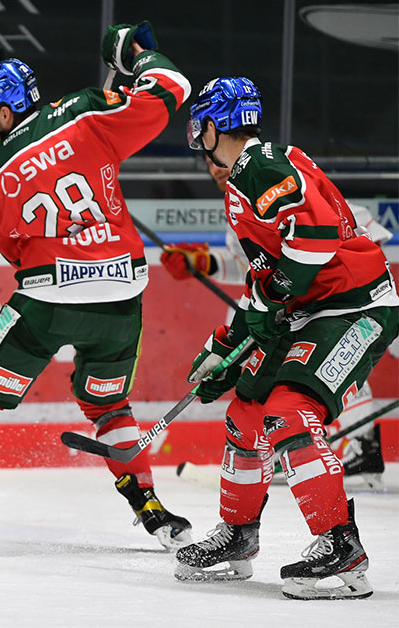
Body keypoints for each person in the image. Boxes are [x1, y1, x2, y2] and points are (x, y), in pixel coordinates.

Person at [0, 23, 195, 550]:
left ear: (4, 110)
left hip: (47, 298)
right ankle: (152, 509)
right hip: (121, 295)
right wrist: (137, 54)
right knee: (110, 407)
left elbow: (15, 252)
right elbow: (172, 88)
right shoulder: (86, 113)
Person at [174, 77, 398, 600]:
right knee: (246, 413)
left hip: (356, 307)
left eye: (197, 124)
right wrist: (225, 348)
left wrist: (274, 298)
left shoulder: (263, 167)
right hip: (311, 311)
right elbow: (265, 281)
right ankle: (237, 534)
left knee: (290, 409)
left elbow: (316, 238)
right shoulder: (242, 183)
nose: (194, 137)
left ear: (216, 124)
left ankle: (341, 543)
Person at [161, 157, 396, 491]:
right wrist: (205, 262)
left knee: (325, 363)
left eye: (222, 161)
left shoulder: (289, 193)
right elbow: (251, 268)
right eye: (209, 164)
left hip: (347, 301)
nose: (217, 168)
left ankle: (362, 446)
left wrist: (319, 277)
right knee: (280, 365)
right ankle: (332, 448)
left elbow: (362, 235)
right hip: (303, 308)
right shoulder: (239, 211)